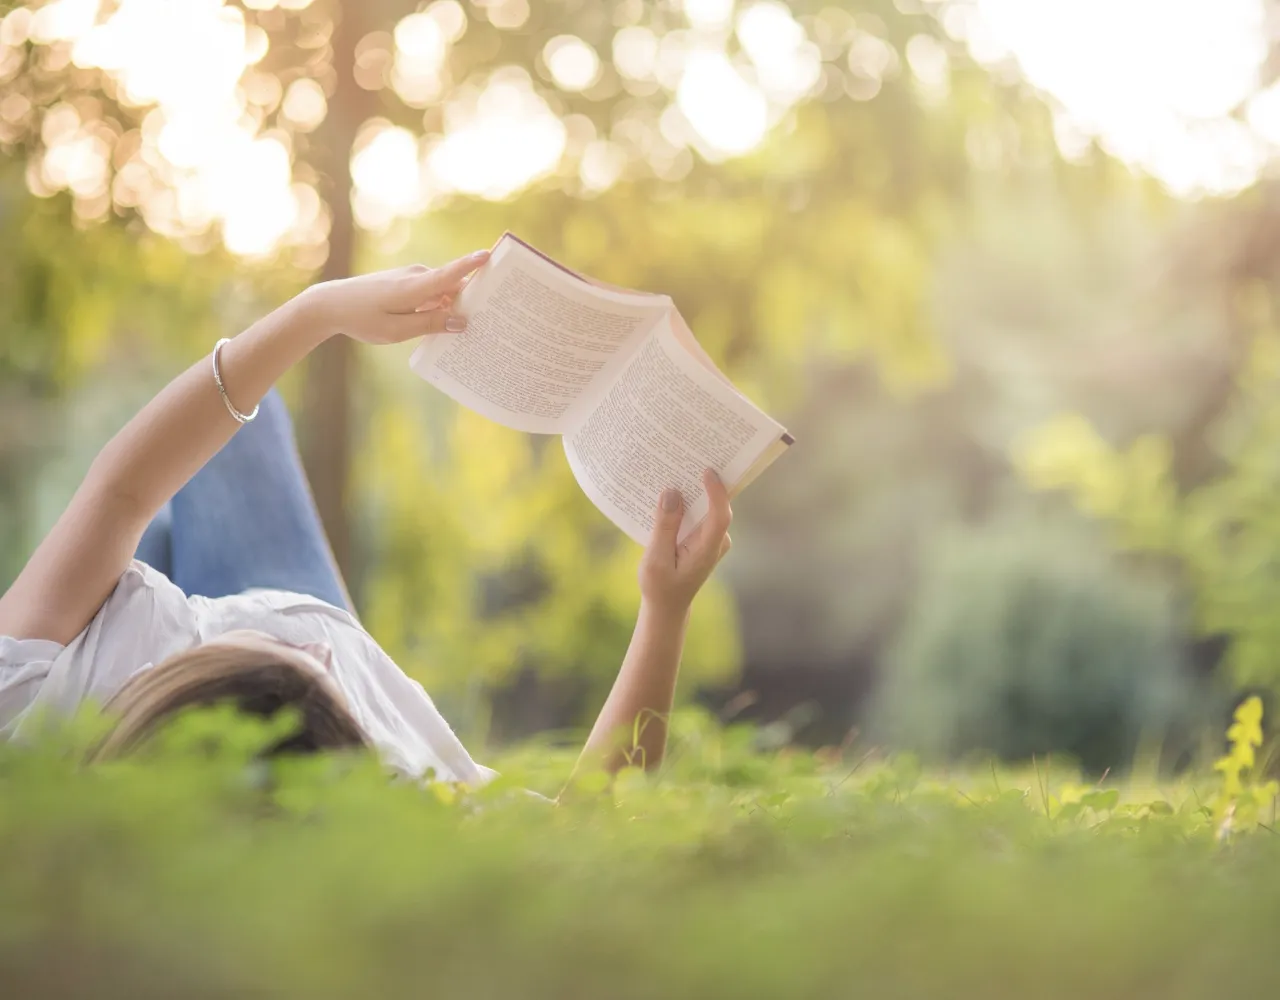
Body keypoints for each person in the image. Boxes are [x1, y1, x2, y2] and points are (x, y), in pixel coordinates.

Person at [0, 250, 733, 786]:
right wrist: (664, 609)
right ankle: (160, 561)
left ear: (173, 679)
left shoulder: (34, 712)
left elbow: (120, 490)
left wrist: (322, 311)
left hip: (147, 631)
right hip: (288, 590)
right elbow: (587, 829)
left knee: (222, 445)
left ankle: (155, 571)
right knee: (207, 491)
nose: (323, 657)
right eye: (327, 689)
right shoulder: (396, 788)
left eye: (293, 661)